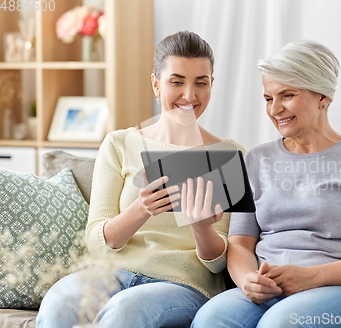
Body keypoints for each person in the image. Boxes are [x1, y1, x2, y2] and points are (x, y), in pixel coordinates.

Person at [36, 31, 245, 328]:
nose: (189, 95)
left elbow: (220, 262)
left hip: (183, 286)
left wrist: (201, 228)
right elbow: (96, 243)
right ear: (156, 85)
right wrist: (140, 210)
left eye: (201, 83)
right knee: (60, 301)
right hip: (110, 274)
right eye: (177, 82)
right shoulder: (119, 143)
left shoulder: (230, 155)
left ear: (212, 85)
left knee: (125, 310)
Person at [191, 40, 341, 328]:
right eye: (268, 99)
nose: (275, 110)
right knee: (211, 318)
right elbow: (240, 244)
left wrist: (309, 277)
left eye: (287, 95)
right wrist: (249, 280)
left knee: (280, 323)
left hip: (340, 290)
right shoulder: (256, 160)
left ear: (323, 96)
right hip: (268, 287)